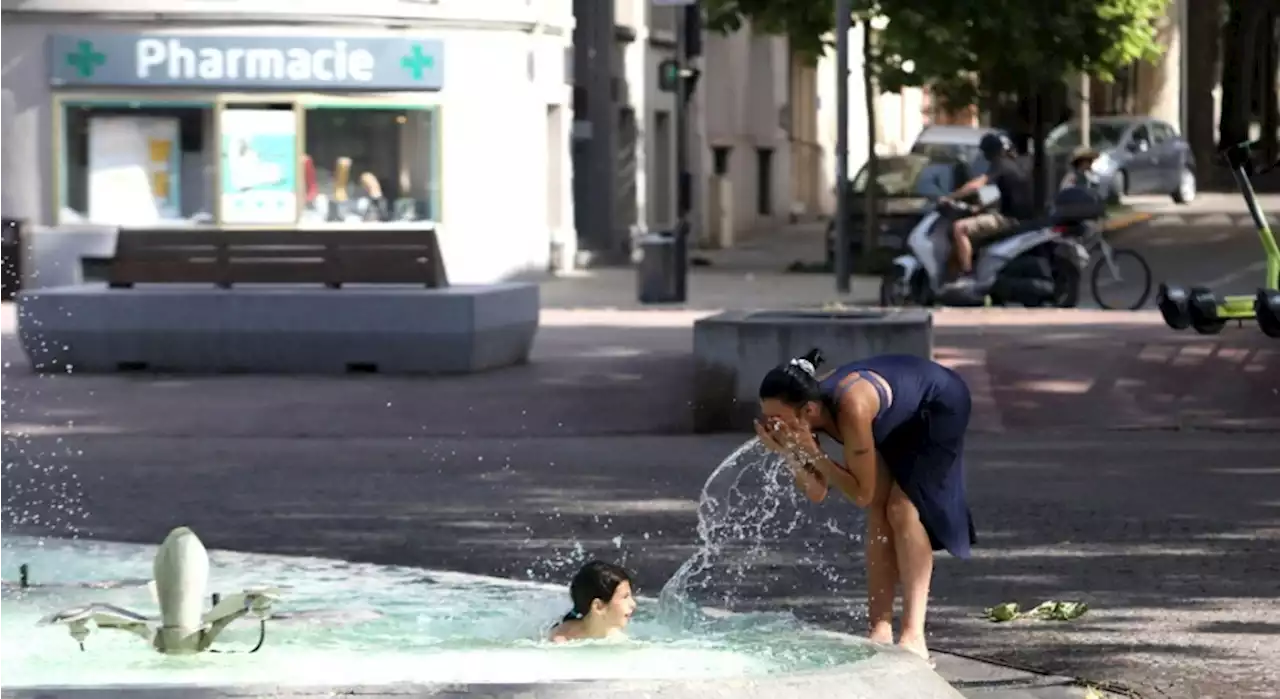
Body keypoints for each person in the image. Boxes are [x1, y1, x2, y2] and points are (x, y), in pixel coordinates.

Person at [753, 348, 976, 664]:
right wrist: (789, 452)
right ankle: (879, 630)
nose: (774, 425)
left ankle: (914, 637)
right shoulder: (805, 417)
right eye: (768, 418)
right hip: (895, 414)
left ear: (809, 410)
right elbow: (817, 490)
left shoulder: (851, 407)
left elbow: (860, 493)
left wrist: (811, 453)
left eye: (779, 418)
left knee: (902, 509)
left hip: (938, 407)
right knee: (879, 512)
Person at [941, 132, 1035, 286]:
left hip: (1007, 219)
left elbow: (977, 184)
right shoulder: (1014, 165)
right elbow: (1000, 194)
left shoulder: (1000, 164)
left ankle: (967, 275)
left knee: (959, 228)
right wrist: (978, 208)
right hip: (1018, 217)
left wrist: (950, 197)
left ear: (988, 152)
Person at [547, 560, 637, 643]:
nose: (633, 604)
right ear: (598, 606)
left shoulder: (617, 637)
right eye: (625, 597)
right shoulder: (560, 641)